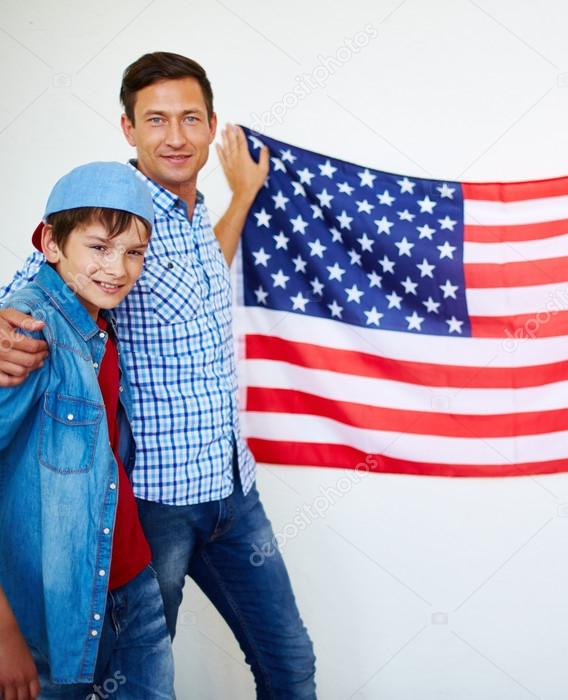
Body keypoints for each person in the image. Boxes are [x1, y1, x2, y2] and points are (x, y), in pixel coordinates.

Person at [0, 53, 316, 699]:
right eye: (156, 119)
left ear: (210, 126)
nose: (175, 136)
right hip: (153, 504)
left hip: (233, 490)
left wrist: (243, 195)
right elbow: (32, 290)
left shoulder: (194, 216)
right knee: (131, 678)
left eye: (190, 118)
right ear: (128, 129)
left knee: (290, 665)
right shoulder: (112, 212)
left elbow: (203, 274)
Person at [0, 162, 174, 699]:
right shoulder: (26, 334)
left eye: (134, 252)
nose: (118, 269)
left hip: (131, 582)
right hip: (53, 608)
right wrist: (4, 632)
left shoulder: (96, 317)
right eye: (99, 247)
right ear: (51, 242)